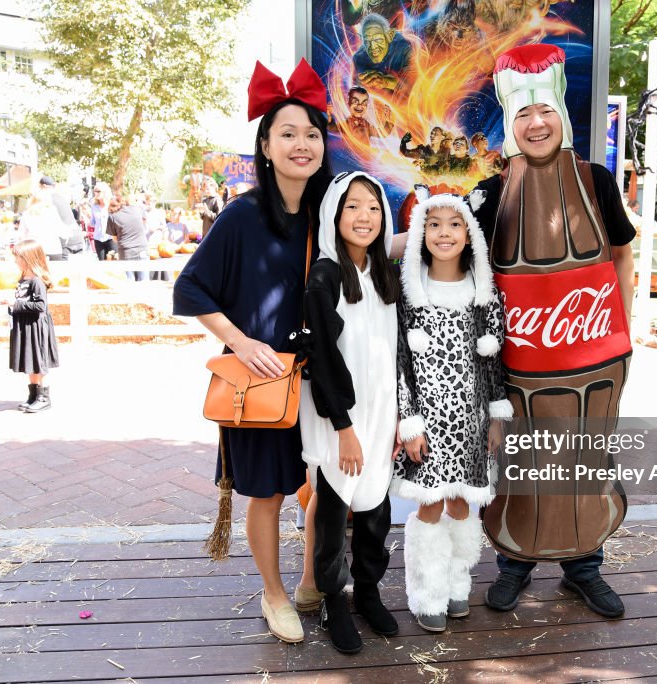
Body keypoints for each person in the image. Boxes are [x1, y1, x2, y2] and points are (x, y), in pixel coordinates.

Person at [471, 44, 636, 619]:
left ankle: (584, 568)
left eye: (545, 112)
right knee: (520, 469)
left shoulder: (597, 182)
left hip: (594, 359)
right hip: (519, 366)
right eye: (522, 113)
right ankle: (513, 565)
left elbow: (621, 256)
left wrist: (624, 327)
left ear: (561, 116)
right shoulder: (488, 195)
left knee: (584, 464)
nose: (536, 123)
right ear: (509, 123)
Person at [172, 58, 333, 645]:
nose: (301, 144)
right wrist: (242, 342)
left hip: (323, 377)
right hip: (263, 381)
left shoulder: (329, 210)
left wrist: (431, 228)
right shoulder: (240, 216)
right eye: (287, 133)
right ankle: (274, 593)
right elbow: (188, 289)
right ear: (265, 145)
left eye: (311, 134)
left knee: (323, 484)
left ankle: (314, 578)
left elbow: (372, 248)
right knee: (266, 493)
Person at [394, 187, 510, 632]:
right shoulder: (410, 293)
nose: (444, 233)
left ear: (469, 233)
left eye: (454, 224)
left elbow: (493, 359)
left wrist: (496, 416)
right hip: (428, 419)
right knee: (430, 504)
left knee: (463, 503)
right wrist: (409, 421)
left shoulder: (484, 292)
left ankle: (458, 584)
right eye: (434, 224)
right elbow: (401, 364)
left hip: (472, 417)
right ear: (422, 233)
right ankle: (427, 595)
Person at [299, 172, 400, 653]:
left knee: (376, 510)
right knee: (335, 514)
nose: (364, 217)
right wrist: (343, 428)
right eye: (353, 207)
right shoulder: (325, 274)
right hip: (340, 419)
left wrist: (402, 417)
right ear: (334, 215)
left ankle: (368, 591)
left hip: (383, 414)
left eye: (374, 208)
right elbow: (322, 356)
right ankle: (333, 599)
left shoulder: (384, 275)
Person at [2, 239, 59, 413]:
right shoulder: (23, 279)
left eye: (18, 257)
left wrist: (16, 304)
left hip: (35, 327)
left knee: (38, 361)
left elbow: (41, 306)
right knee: (30, 361)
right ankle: (34, 394)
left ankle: (43, 396)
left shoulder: (36, 281)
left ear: (28, 258)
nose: (15, 261)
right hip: (25, 325)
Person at [352, 13, 413, 95]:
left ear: (390, 36)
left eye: (378, 40)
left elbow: (415, 88)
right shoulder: (359, 59)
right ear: (361, 38)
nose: (373, 47)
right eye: (367, 41)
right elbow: (359, 92)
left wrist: (386, 82)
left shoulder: (404, 48)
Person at [106, 192, 150, 281]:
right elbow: (144, 223)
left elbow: (114, 239)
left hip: (126, 251)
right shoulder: (138, 209)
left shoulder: (112, 217)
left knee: (129, 280)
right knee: (144, 280)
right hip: (142, 248)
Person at [39, 176, 84, 256]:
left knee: (61, 267)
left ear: (44, 186)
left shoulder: (46, 199)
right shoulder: (60, 197)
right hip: (76, 236)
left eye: (39, 187)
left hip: (65, 239)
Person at [21, 189, 67, 262]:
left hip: (34, 250)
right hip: (53, 248)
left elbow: (22, 235)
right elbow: (61, 230)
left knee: (35, 273)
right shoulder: (52, 211)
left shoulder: (27, 214)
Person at [89, 182, 116, 260]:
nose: (96, 193)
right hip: (98, 238)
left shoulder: (111, 204)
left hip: (111, 238)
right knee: (102, 265)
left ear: (105, 192)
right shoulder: (94, 206)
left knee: (114, 263)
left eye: (98, 191)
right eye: (95, 191)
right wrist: (88, 218)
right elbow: (93, 223)